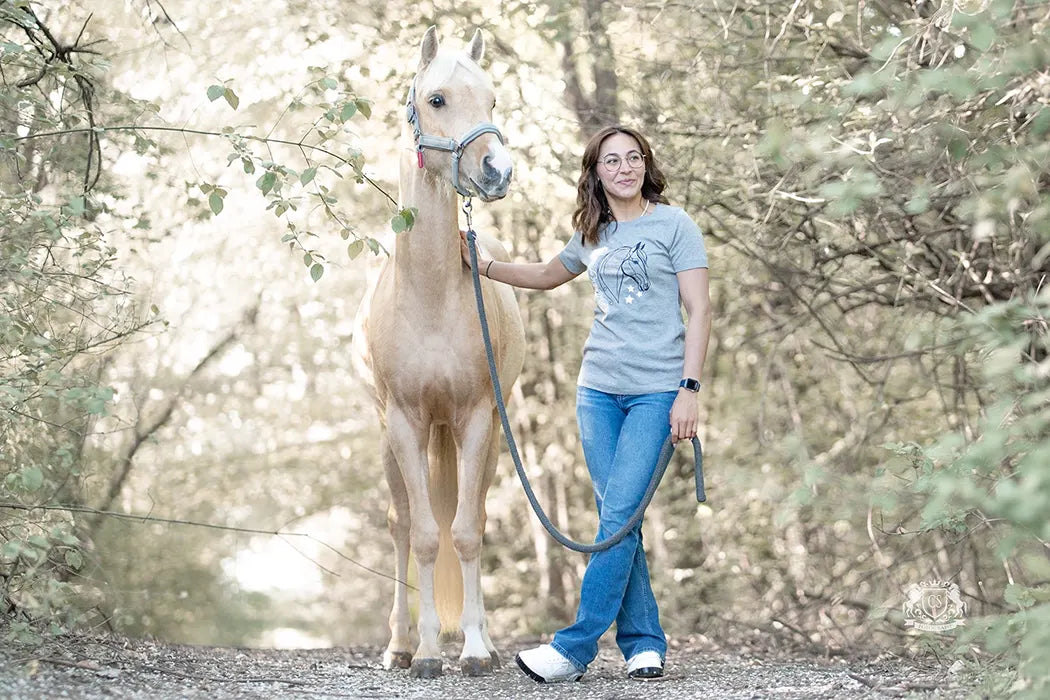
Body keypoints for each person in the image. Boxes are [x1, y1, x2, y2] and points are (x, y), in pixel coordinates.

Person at [458, 124, 712, 683]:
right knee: (619, 520)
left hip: (657, 392)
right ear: (596, 173)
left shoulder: (675, 225)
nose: (624, 168)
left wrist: (689, 391)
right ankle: (644, 643)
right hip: (597, 392)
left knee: (619, 517)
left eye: (633, 158)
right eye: (611, 161)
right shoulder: (592, 231)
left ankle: (573, 648)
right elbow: (550, 275)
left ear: (646, 164)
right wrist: (488, 267)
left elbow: (699, 311)